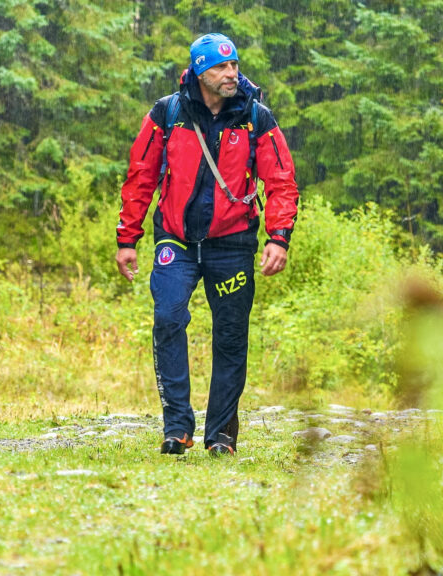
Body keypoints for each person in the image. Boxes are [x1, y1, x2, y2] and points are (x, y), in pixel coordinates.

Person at [115, 33, 299, 456]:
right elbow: (140, 174)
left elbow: (282, 182)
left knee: (231, 337)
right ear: (200, 70)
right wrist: (128, 237)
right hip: (174, 240)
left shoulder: (256, 118)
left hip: (233, 244)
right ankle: (177, 428)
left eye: (234, 65)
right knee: (168, 318)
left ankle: (220, 437)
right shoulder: (168, 112)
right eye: (220, 67)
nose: (231, 73)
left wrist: (278, 237)